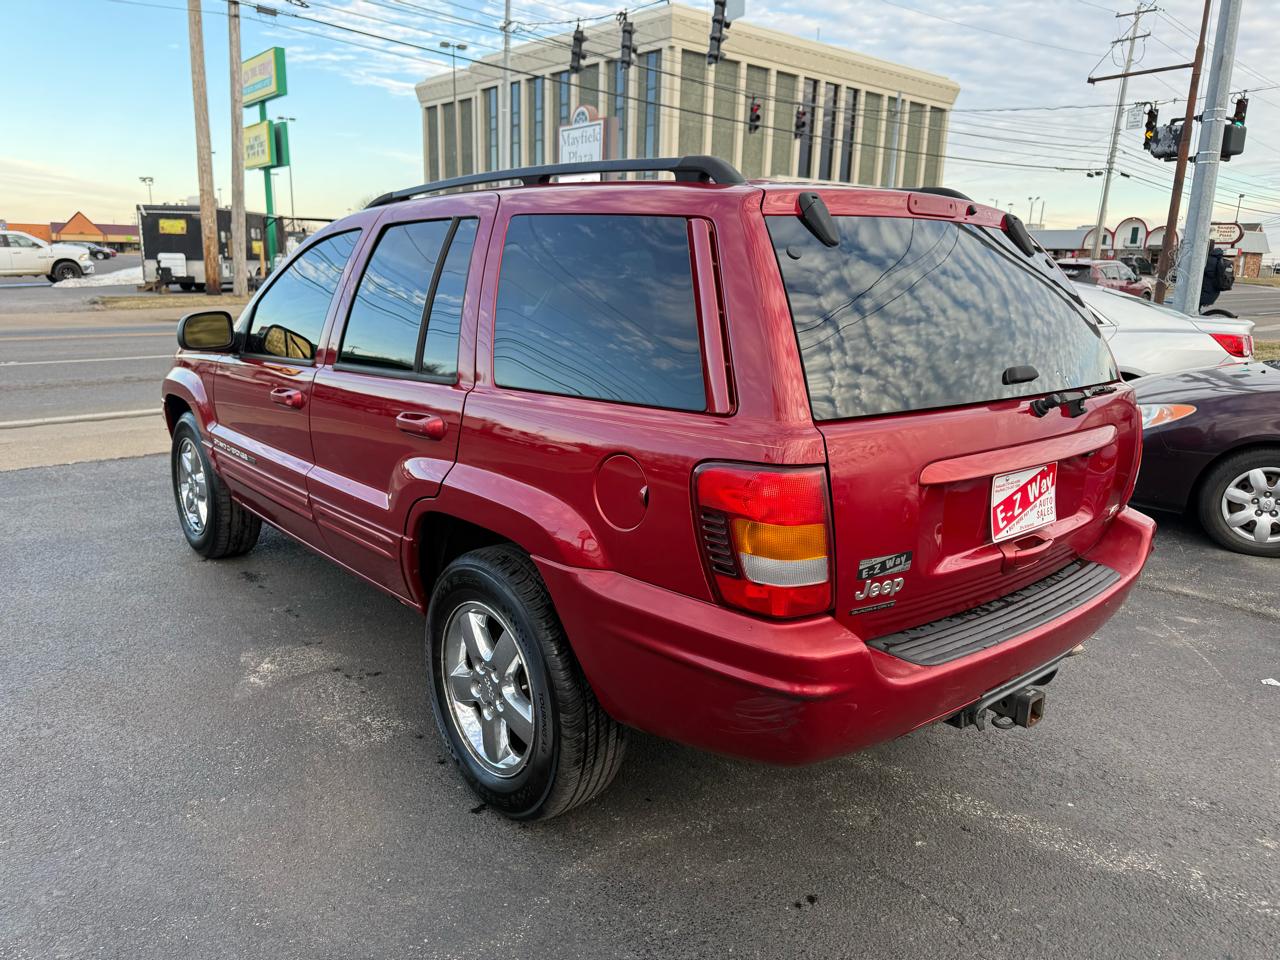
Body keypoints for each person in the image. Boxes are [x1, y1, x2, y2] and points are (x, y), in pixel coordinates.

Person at [1201, 244, 1230, 308]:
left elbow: (1205, 272)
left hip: (1206, 289)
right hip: (1214, 291)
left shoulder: (1209, 260)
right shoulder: (1221, 260)